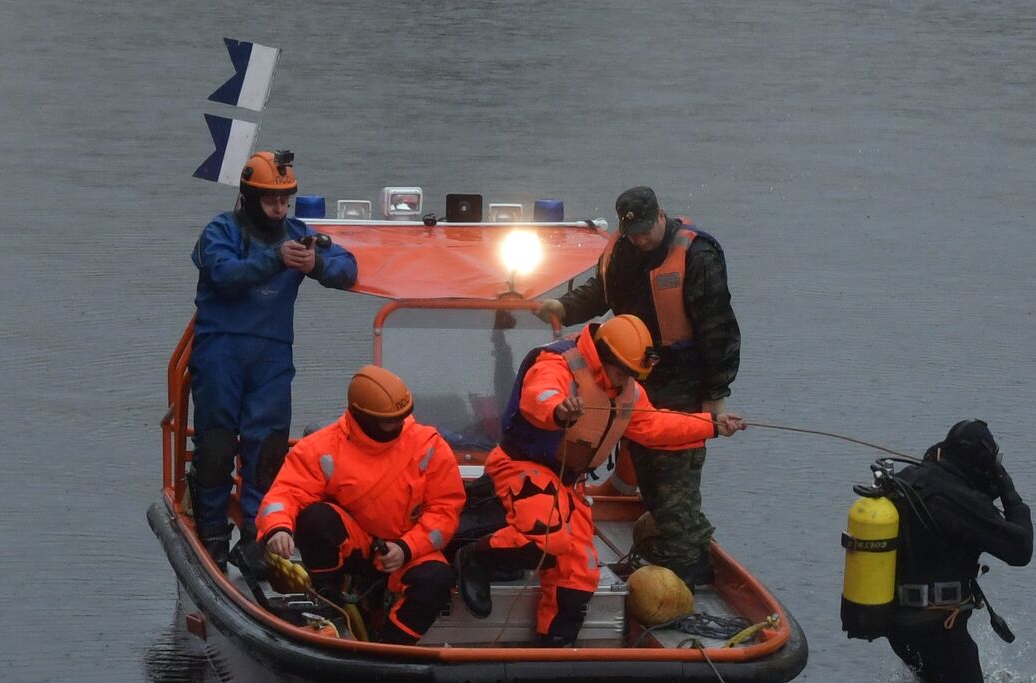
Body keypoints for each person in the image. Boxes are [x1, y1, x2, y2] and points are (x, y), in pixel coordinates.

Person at [454, 315, 746, 646]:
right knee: (547, 537)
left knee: (580, 573)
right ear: (604, 356)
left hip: (568, 483)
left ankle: (554, 646)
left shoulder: (627, 391)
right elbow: (538, 396)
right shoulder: (556, 364)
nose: (627, 380)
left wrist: (711, 425)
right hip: (523, 467)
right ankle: (475, 557)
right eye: (623, 372)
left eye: (633, 375)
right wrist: (559, 410)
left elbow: (654, 425)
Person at [535, 186, 740, 589]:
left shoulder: (697, 256)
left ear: (661, 216)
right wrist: (564, 307)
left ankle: (687, 564)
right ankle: (679, 550)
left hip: (682, 381)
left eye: (647, 231)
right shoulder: (621, 250)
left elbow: (719, 331)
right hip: (633, 376)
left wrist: (715, 397)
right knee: (648, 469)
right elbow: (601, 292)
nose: (642, 239)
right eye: (634, 234)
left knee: (674, 476)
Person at [189, 149, 359, 570]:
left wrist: (316, 263)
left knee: (267, 448)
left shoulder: (300, 233)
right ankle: (212, 533)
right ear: (250, 197)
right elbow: (224, 275)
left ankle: (258, 536)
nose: (279, 208)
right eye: (271, 200)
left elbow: (348, 267)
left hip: (272, 356)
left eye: (284, 200)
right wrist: (276, 259)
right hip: (221, 351)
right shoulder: (220, 231)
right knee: (216, 445)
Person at [256, 366, 466, 644]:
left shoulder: (429, 447)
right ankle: (330, 607)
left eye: (402, 417)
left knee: (437, 580)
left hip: (409, 547)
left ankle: (390, 649)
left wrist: (406, 548)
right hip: (358, 543)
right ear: (363, 417)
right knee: (316, 519)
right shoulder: (322, 447)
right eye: (389, 420)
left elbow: (445, 510)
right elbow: (287, 492)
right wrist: (278, 528)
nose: (398, 425)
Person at [877, 419, 1033, 683]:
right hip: (939, 631)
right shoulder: (961, 502)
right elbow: (1021, 550)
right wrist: (1009, 491)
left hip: (898, 625)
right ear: (981, 461)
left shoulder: (909, 479)